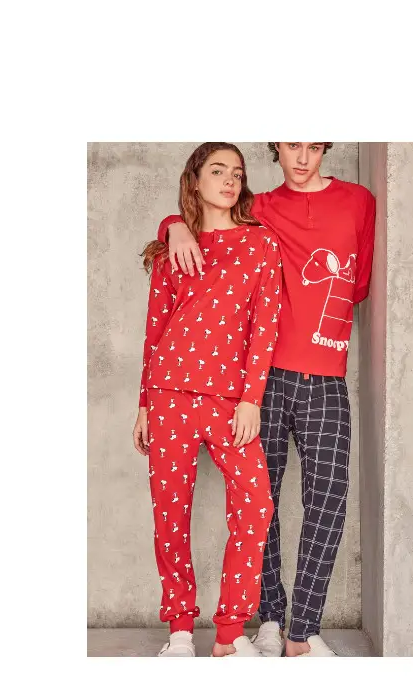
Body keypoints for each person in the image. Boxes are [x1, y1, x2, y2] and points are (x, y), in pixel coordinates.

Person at [158, 142, 376, 657]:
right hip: (264, 378)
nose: (303, 157)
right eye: (292, 144)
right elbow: (204, 212)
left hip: (325, 375)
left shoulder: (359, 202)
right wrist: (174, 225)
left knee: (327, 500)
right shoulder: (258, 207)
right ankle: (270, 620)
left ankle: (304, 631)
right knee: (263, 502)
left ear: (326, 146)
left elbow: (358, 285)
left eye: (314, 146)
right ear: (276, 146)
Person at [133, 142, 283, 657]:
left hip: (228, 400)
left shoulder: (261, 244)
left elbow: (265, 327)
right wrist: (144, 404)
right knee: (169, 516)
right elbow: (155, 331)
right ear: (194, 180)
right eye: (217, 171)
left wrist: (251, 399)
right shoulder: (173, 248)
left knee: (256, 504)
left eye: (237, 173)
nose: (229, 180)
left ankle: (229, 633)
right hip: (168, 393)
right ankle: (179, 628)